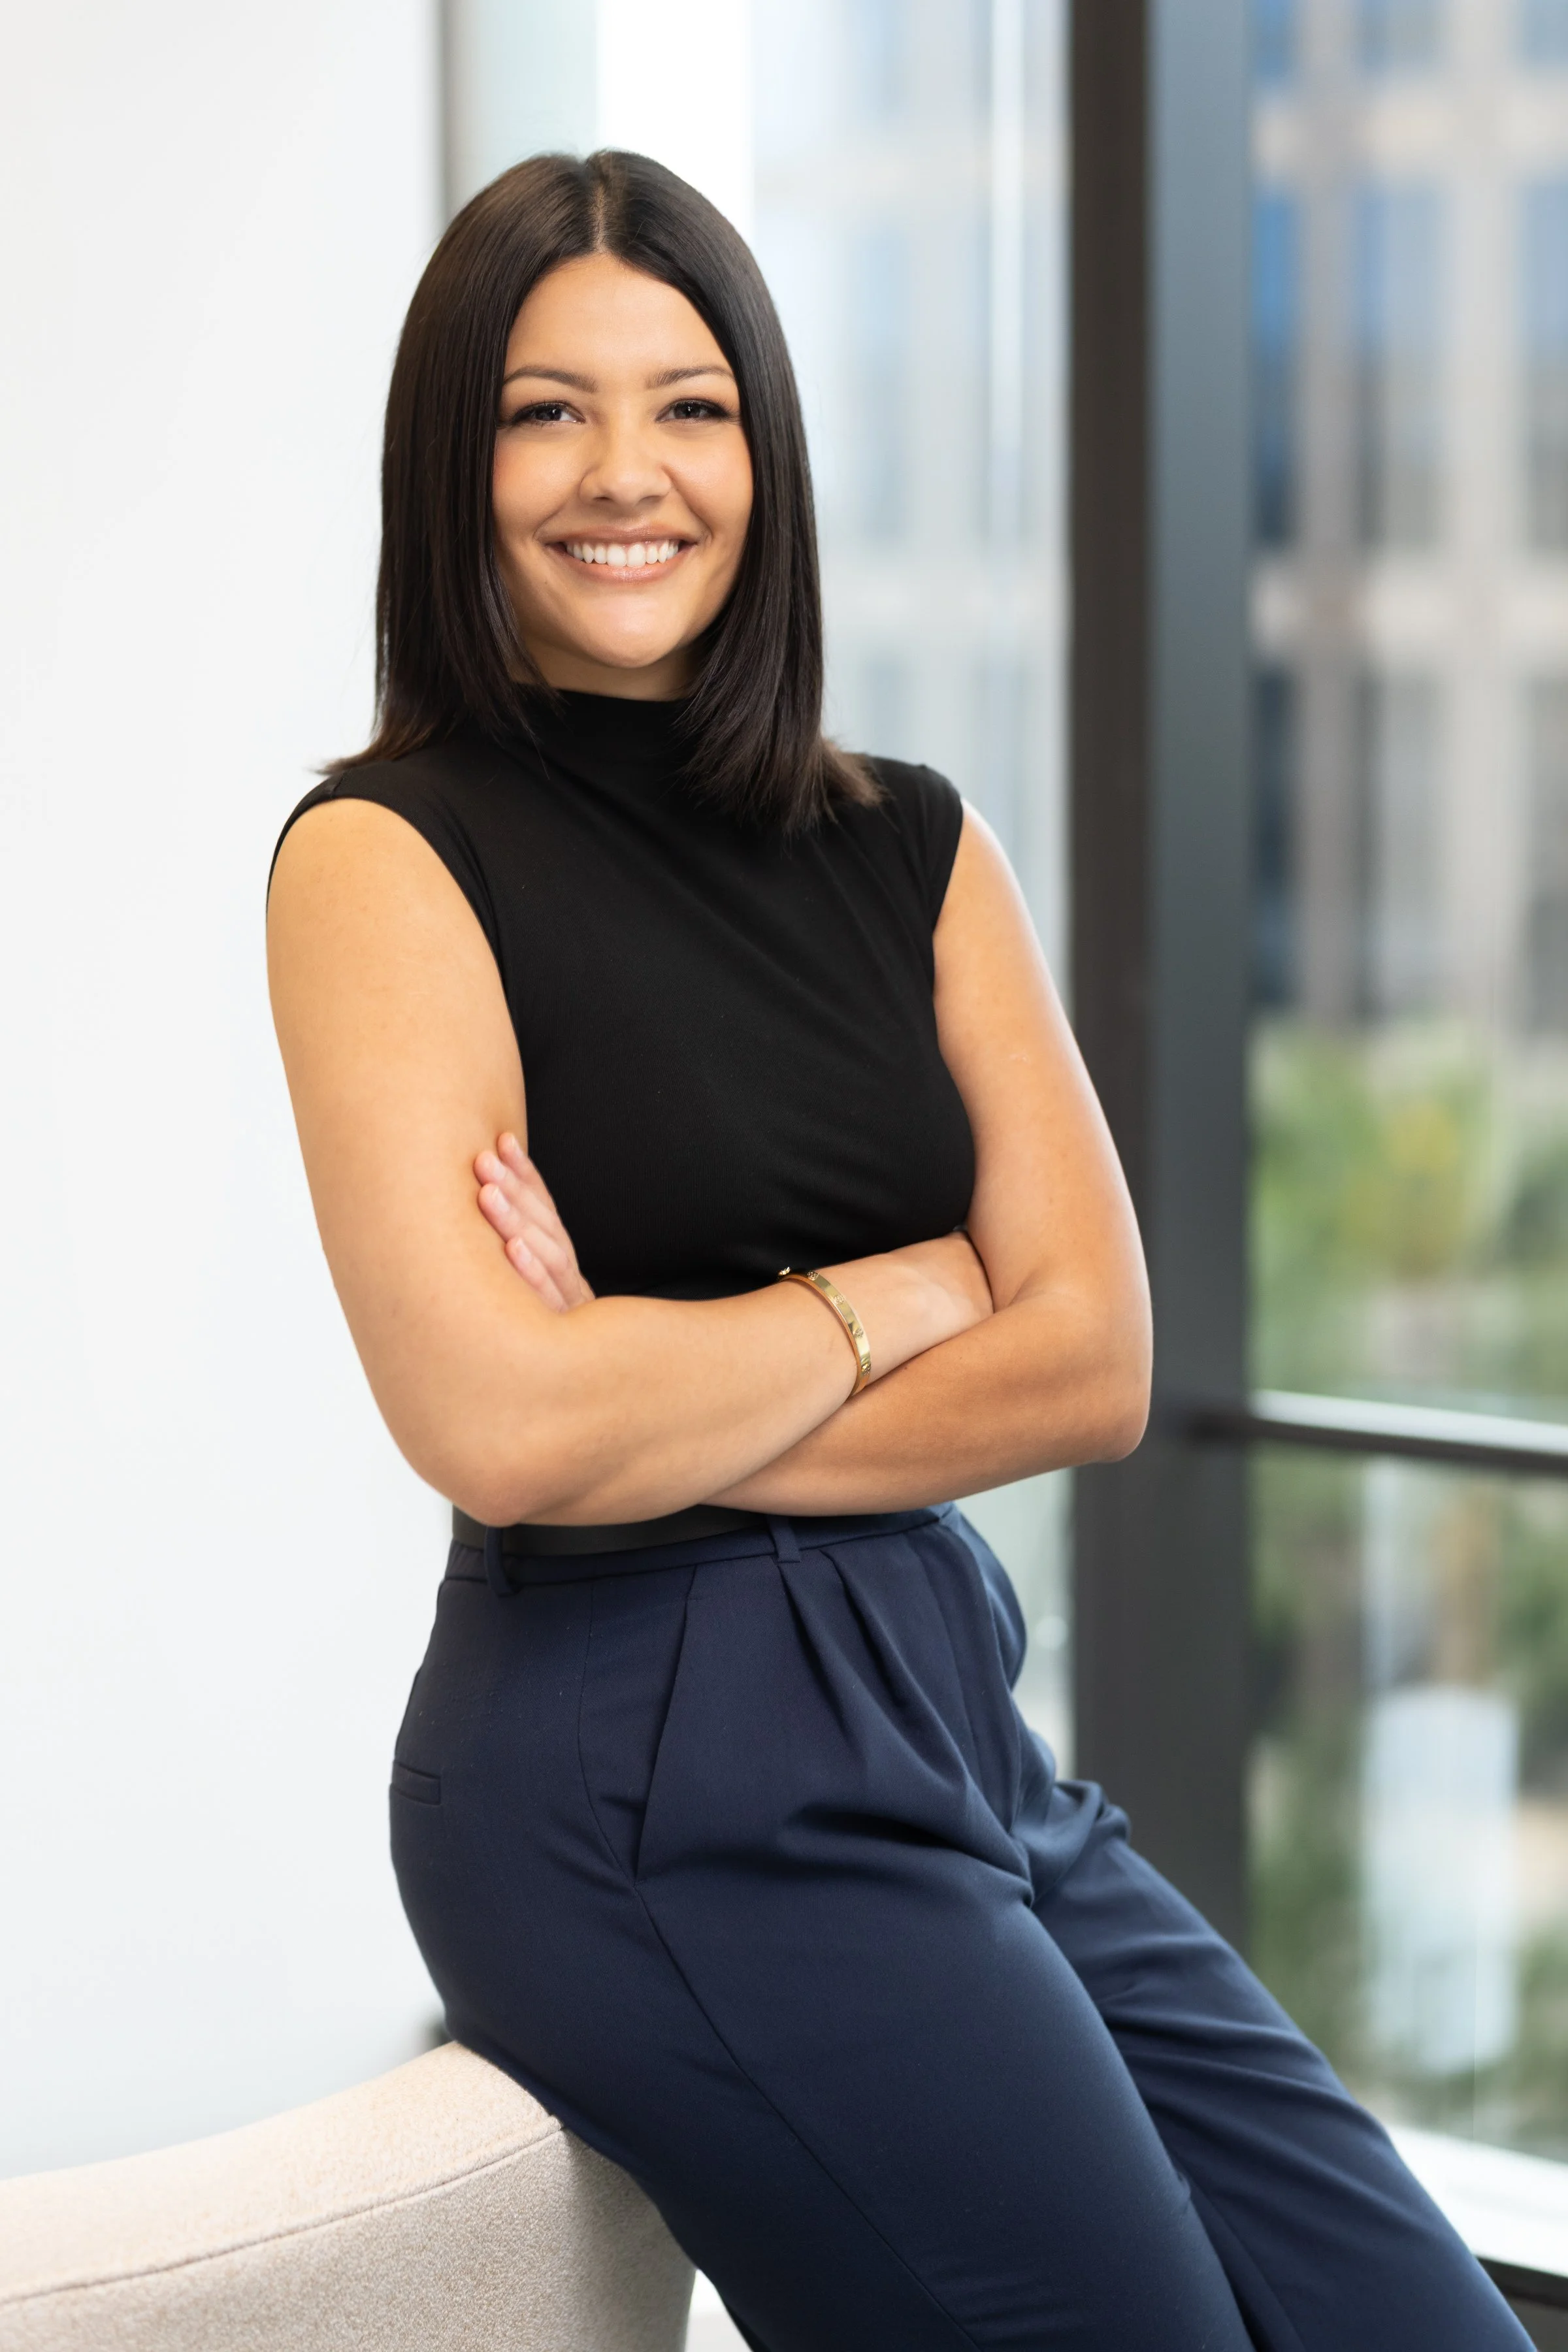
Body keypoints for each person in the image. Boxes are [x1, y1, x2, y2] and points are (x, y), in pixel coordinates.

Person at [267, 150, 1529, 2352]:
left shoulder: (912, 842)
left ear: (764, 449)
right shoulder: (386, 855)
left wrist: (647, 1376)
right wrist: (907, 1293)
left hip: (949, 1713)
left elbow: (1096, 1362)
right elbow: (503, 1429)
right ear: (454, 463)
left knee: (1424, 2324)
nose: (627, 473)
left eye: (691, 406)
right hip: (643, 1771)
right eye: (548, 412)